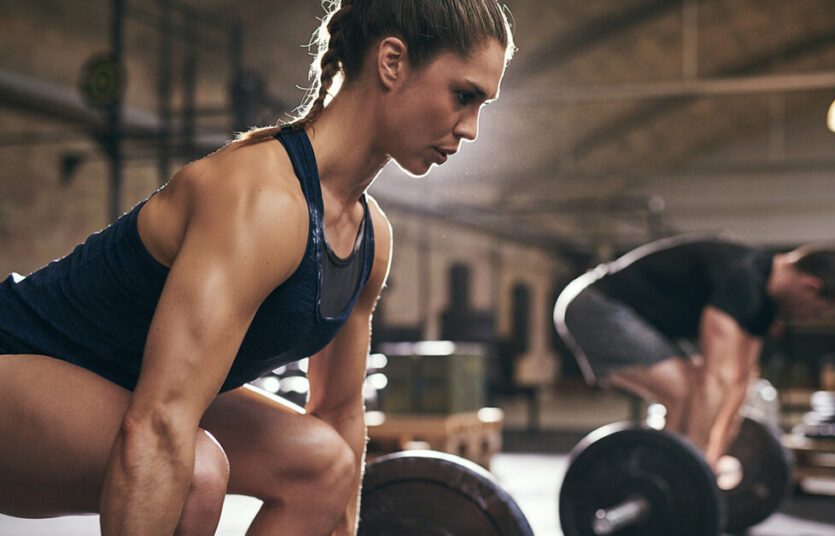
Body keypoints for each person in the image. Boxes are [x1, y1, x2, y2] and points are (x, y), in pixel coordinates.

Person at [0, 1, 514, 534]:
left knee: (324, 462)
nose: (472, 128)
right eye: (464, 95)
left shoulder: (370, 238)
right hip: (16, 363)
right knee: (196, 469)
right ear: (391, 62)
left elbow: (340, 413)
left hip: (126, 388)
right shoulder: (262, 199)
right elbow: (159, 425)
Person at [554, 235, 835, 466]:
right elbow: (715, 379)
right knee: (688, 392)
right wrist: (697, 465)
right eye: (819, 312)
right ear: (811, 286)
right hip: (595, 303)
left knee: (691, 395)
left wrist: (713, 455)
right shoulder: (741, 277)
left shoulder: (765, 306)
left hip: (636, 318)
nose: (812, 319)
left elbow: (740, 382)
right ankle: (660, 474)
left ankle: (662, 472)